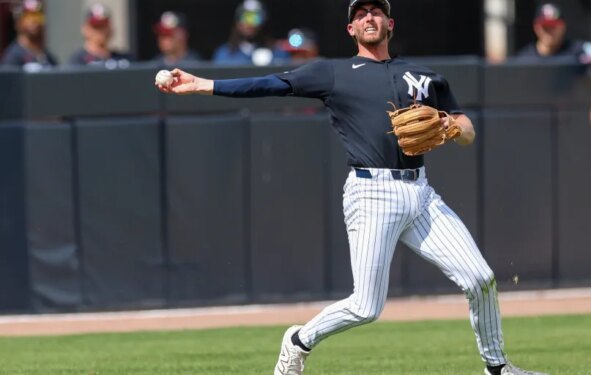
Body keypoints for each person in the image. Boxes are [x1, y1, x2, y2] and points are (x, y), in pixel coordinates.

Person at [156, 1, 547, 374]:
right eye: (361, 14)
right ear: (351, 29)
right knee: (365, 306)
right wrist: (199, 84)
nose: (369, 16)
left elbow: (467, 129)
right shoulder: (333, 73)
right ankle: (298, 340)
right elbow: (267, 84)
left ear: (390, 24)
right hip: (371, 190)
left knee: (481, 278)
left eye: (377, 11)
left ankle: (497, 367)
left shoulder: (425, 77)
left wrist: (450, 127)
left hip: (422, 193)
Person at [517, 2, 591, 132]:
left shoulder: (577, 50)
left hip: (572, 125)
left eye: (553, 26)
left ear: (562, 26)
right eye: (545, 26)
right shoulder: (524, 59)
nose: (549, 32)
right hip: (535, 127)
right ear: (536, 27)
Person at [212, 0, 283, 66]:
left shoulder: (276, 51)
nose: (250, 23)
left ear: (263, 22)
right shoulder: (224, 53)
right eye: (246, 17)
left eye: (256, 18)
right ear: (237, 22)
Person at [69, 3, 131, 69]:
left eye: (104, 26)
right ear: (85, 29)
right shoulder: (78, 62)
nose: (101, 31)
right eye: (96, 27)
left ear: (111, 29)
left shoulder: (124, 59)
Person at [1, 0, 57, 71]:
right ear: (18, 22)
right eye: (28, 17)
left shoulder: (48, 57)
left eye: (38, 16)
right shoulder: (12, 58)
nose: (34, 21)